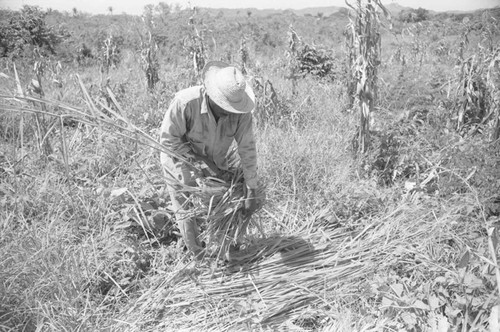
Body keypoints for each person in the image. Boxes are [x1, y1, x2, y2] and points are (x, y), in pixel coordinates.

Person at [159, 61, 262, 259]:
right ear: (211, 94)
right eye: (225, 106)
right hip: (180, 159)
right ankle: (198, 254)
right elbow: (168, 140)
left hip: (215, 160)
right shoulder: (186, 103)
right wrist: (200, 162)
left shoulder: (241, 113)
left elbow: (247, 148)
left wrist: (251, 188)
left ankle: (224, 246)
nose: (229, 111)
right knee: (186, 207)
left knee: (225, 201)